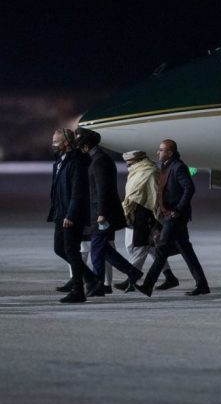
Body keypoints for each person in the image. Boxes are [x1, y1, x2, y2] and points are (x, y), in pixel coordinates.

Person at [135, 139, 210, 296]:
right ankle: (202, 284)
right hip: (168, 215)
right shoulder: (166, 165)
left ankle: (148, 285)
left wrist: (178, 209)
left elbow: (189, 188)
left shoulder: (178, 167)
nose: (158, 152)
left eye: (161, 150)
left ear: (169, 152)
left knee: (161, 250)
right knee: (186, 251)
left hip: (174, 216)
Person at [74, 127, 143, 297]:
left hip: (102, 214)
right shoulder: (98, 159)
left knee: (97, 251)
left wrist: (102, 214)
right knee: (103, 249)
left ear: (86, 145)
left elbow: (103, 189)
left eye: (80, 145)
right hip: (99, 212)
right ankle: (133, 272)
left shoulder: (99, 161)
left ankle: (98, 285)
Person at [116, 150, 179, 292]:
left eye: (129, 162)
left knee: (139, 247)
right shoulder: (137, 171)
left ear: (137, 160)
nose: (128, 164)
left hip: (145, 215)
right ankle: (169, 277)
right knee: (151, 248)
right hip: (133, 213)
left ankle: (131, 279)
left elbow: (154, 195)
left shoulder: (149, 172)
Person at [47, 128, 95, 303]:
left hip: (71, 215)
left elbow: (78, 192)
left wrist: (71, 215)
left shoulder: (76, 162)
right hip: (61, 213)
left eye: (56, 141)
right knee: (59, 249)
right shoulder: (60, 160)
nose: (53, 144)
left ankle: (78, 290)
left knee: (71, 251)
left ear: (66, 143)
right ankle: (91, 277)